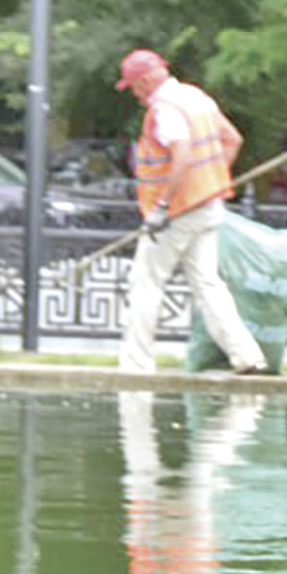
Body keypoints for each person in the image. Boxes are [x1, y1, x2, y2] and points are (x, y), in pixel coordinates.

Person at [114, 49, 270, 376]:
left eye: (134, 87)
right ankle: (247, 356)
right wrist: (208, 180)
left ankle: (136, 365)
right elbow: (233, 140)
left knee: (146, 282)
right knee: (208, 285)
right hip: (208, 205)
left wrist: (162, 206)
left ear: (146, 80)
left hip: (177, 212)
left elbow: (182, 154)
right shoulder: (196, 98)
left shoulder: (165, 109)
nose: (135, 95)